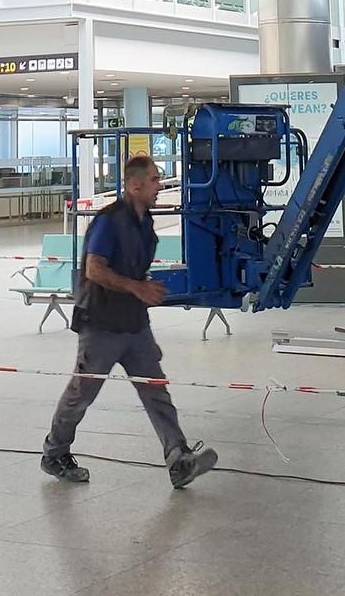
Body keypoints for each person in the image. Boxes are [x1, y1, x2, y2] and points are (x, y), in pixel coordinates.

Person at [41, 154, 216, 489]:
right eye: (153, 180)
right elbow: (94, 269)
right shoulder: (109, 222)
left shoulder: (145, 223)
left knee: (156, 391)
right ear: (134, 185)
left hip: (134, 326)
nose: (158, 186)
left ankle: (178, 457)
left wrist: (146, 327)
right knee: (81, 394)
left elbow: (139, 275)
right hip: (102, 325)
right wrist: (137, 288)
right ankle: (55, 453)